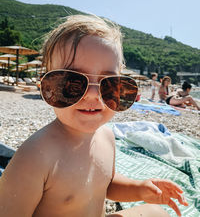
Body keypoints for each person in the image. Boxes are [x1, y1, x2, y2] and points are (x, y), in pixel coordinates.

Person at [0, 15, 188, 217]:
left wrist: (139, 188)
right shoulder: (35, 156)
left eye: (108, 82)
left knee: (156, 212)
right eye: (72, 81)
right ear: (46, 85)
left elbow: (106, 183)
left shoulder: (107, 137)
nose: (92, 94)